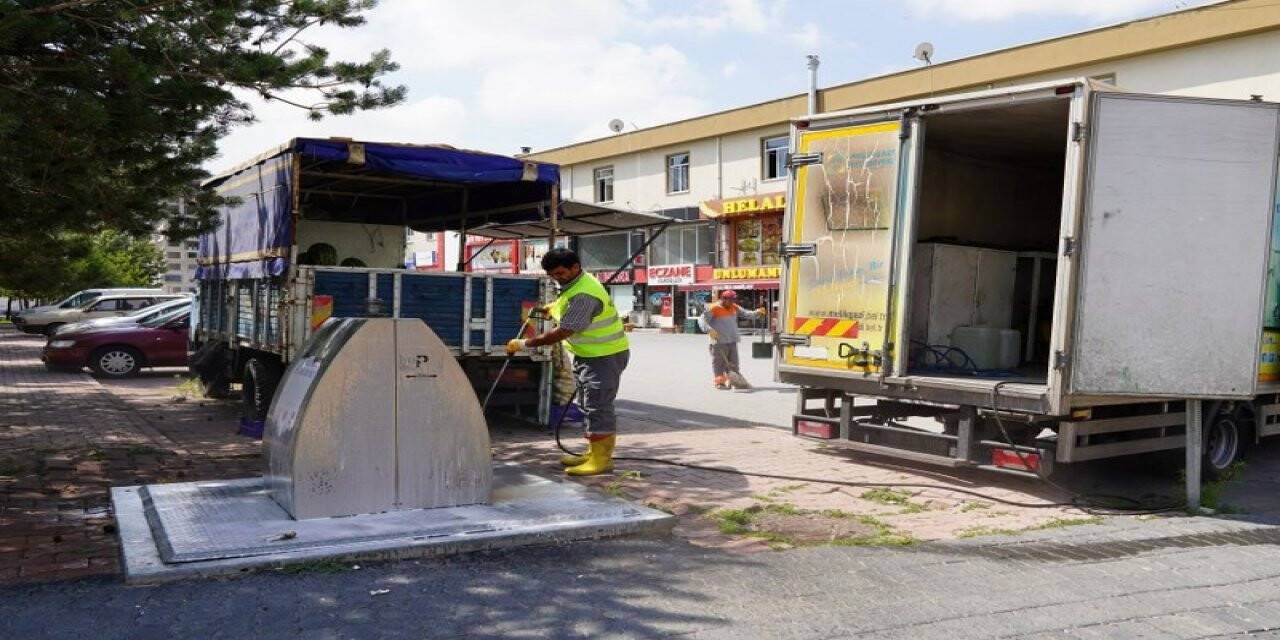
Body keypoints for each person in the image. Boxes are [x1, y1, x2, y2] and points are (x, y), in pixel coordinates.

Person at [506, 248, 629, 476]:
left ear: (575, 267)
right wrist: (553, 308)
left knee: (597, 406)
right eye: (553, 274)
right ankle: (593, 452)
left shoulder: (584, 295)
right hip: (590, 355)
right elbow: (568, 305)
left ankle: (601, 460)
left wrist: (525, 344)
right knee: (587, 404)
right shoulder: (577, 282)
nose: (557, 278)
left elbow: (564, 331)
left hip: (603, 356)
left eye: (561, 273)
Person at [699, 290, 766, 389]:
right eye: (730, 300)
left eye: (733, 299)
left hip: (732, 340)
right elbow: (702, 320)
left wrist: (757, 312)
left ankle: (734, 381)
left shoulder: (734, 307)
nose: (732, 302)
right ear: (723, 299)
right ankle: (720, 383)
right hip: (718, 341)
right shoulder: (713, 308)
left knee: (734, 363)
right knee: (719, 363)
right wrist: (709, 330)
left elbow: (746, 313)